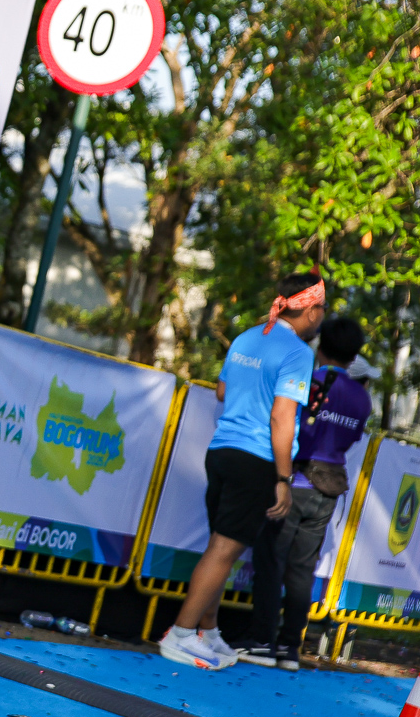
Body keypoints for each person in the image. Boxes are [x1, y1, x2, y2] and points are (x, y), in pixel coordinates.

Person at [158, 272, 327, 670]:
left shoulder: (248, 337)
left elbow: (222, 390)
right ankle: (180, 633)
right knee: (224, 549)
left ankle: (207, 631)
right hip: (255, 458)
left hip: (221, 451)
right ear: (311, 310)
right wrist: (284, 478)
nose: (323, 317)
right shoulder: (299, 352)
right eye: (322, 308)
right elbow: (282, 418)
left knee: (219, 548)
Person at [237, 316, 376, 669]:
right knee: (302, 569)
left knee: (271, 562)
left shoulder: (309, 381)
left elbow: (286, 422)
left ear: (320, 345)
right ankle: (289, 648)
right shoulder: (362, 398)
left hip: (294, 481)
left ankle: (262, 642)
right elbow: (352, 437)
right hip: (329, 488)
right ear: (355, 355)